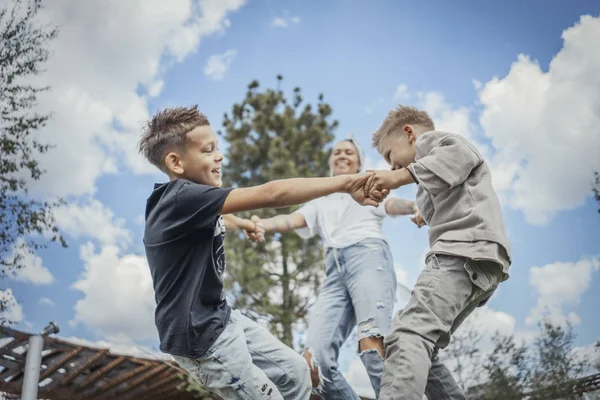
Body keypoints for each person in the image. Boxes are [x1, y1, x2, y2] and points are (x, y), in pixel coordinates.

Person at [138, 105, 385, 400]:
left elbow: (222, 216)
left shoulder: (191, 202)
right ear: (176, 163)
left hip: (223, 319)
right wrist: (347, 182)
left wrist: (242, 223)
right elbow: (273, 194)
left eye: (218, 148)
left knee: (296, 373)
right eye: (208, 150)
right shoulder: (179, 198)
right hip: (201, 339)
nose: (219, 156)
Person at [251, 137, 420, 399]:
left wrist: (415, 206)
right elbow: (290, 220)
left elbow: (390, 205)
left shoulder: (367, 185)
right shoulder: (321, 201)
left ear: (359, 162)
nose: (342, 155)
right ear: (331, 161)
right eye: (337, 152)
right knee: (312, 365)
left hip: (368, 256)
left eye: (349, 152)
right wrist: (261, 224)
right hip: (334, 272)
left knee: (372, 345)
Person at [367, 105, 512, 400]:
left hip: (461, 253)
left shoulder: (436, 142)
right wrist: (422, 212)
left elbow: (455, 158)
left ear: (409, 134)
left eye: (389, 156)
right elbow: (443, 189)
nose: (392, 167)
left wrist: (394, 179)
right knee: (425, 349)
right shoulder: (428, 177)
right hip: (480, 266)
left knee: (407, 335)